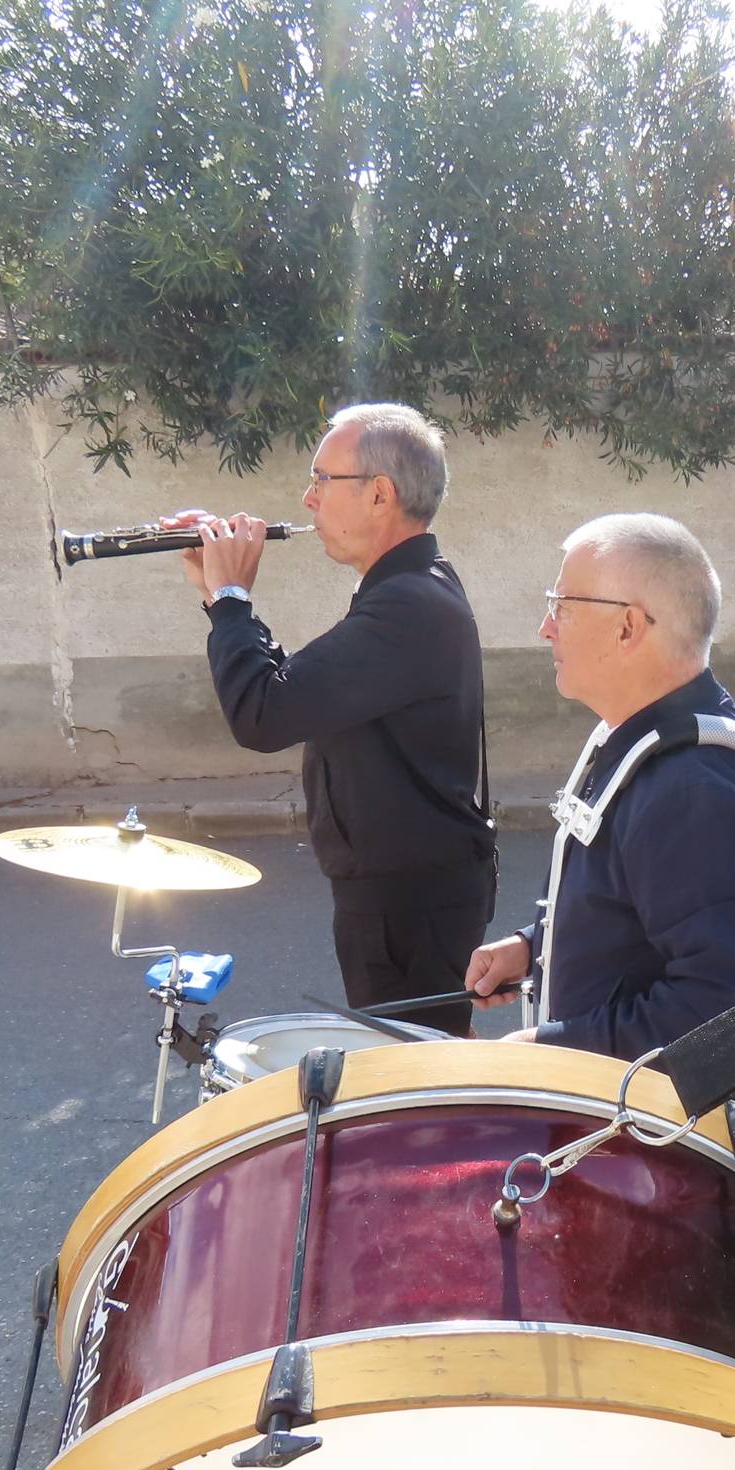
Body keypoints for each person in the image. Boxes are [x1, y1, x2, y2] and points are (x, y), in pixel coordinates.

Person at [172, 402, 494, 1036]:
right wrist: (219, 598)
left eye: (322, 479)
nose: (308, 498)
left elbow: (262, 715)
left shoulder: (409, 605)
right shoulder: (406, 591)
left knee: (411, 1093)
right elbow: (298, 693)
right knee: (406, 1078)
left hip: (409, 902)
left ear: (380, 494)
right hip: (405, 894)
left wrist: (234, 599)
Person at [463, 514, 735, 1112]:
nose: (545, 628)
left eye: (561, 605)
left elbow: (722, 1012)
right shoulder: (642, 738)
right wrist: (536, 948)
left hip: (670, 1159)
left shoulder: (695, 791)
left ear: (627, 626)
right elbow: (639, 913)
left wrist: (554, 1047)